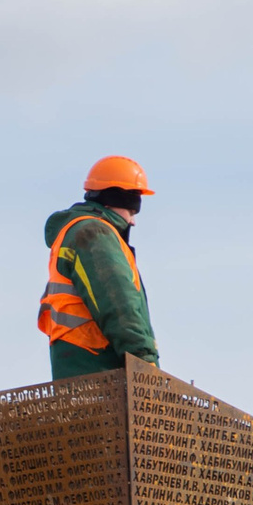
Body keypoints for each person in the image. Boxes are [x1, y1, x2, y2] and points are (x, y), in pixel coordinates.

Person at [38, 155, 160, 380]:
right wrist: (146, 364)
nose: (133, 221)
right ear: (113, 200)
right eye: (132, 212)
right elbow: (119, 306)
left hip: (77, 375)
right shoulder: (94, 234)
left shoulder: (75, 233)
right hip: (100, 372)